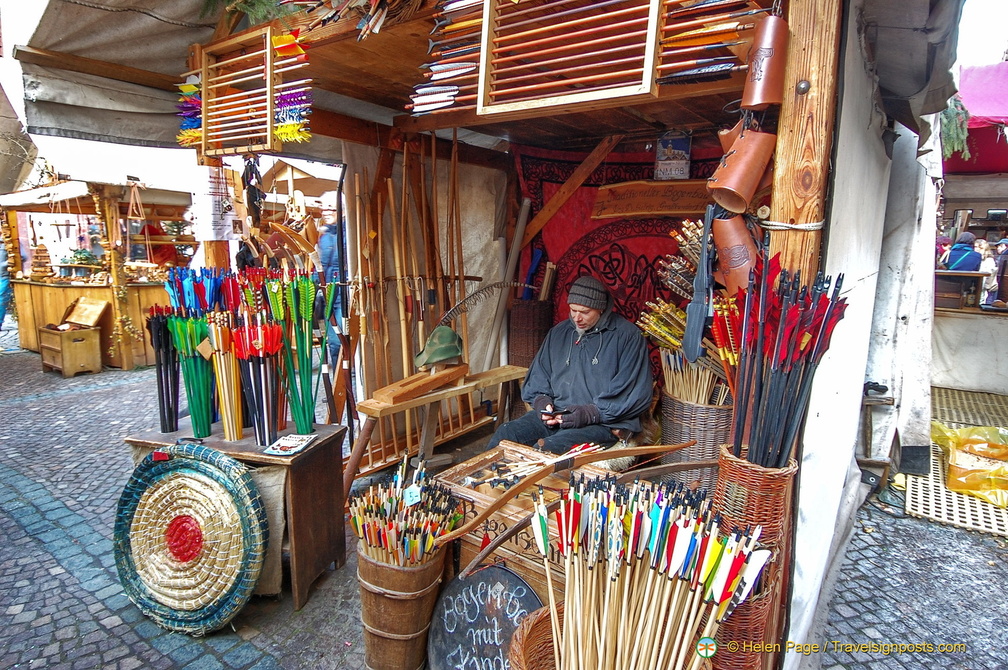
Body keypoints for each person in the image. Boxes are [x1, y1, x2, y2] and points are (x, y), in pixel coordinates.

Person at [486, 275, 653, 454]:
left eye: (584, 312)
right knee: (506, 434)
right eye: (573, 310)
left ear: (601, 308)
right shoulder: (559, 332)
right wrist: (542, 402)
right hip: (557, 415)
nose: (576, 318)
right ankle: (482, 472)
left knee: (548, 448)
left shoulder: (627, 336)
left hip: (600, 423)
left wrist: (589, 413)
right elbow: (539, 375)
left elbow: (633, 392)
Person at [975, 239, 998, 304]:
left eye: (980, 248)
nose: (977, 249)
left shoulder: (989, 260)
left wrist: (986, 287)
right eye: (975, 247)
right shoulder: (973, 258)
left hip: (983, 289)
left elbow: (990, 276)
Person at [993, 238, 1008, 306]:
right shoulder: (1002, 256)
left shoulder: (1005, 255)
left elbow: (1004, 277)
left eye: (1001, 246)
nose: (998, 248)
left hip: (1003, 284)